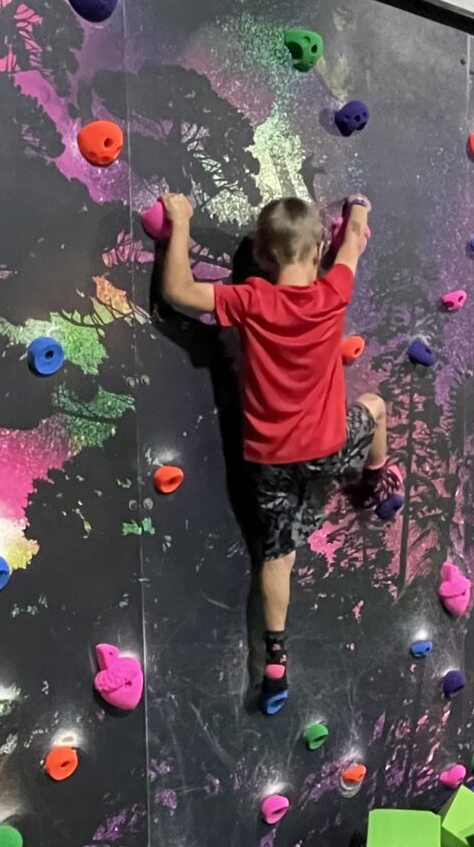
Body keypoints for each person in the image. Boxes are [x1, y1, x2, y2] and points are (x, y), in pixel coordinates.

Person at [154, 191, 395, 711]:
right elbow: (353, 241)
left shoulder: (252, 300)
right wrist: (358, 208)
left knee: (277, 554)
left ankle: (277, 658)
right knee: (374, 406)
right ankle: (379, 477)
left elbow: (176, 289)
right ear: (316, 254)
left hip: (269, 460)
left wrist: (180, 221)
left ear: (263, 259)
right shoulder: (334, 292)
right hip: (329, 448)